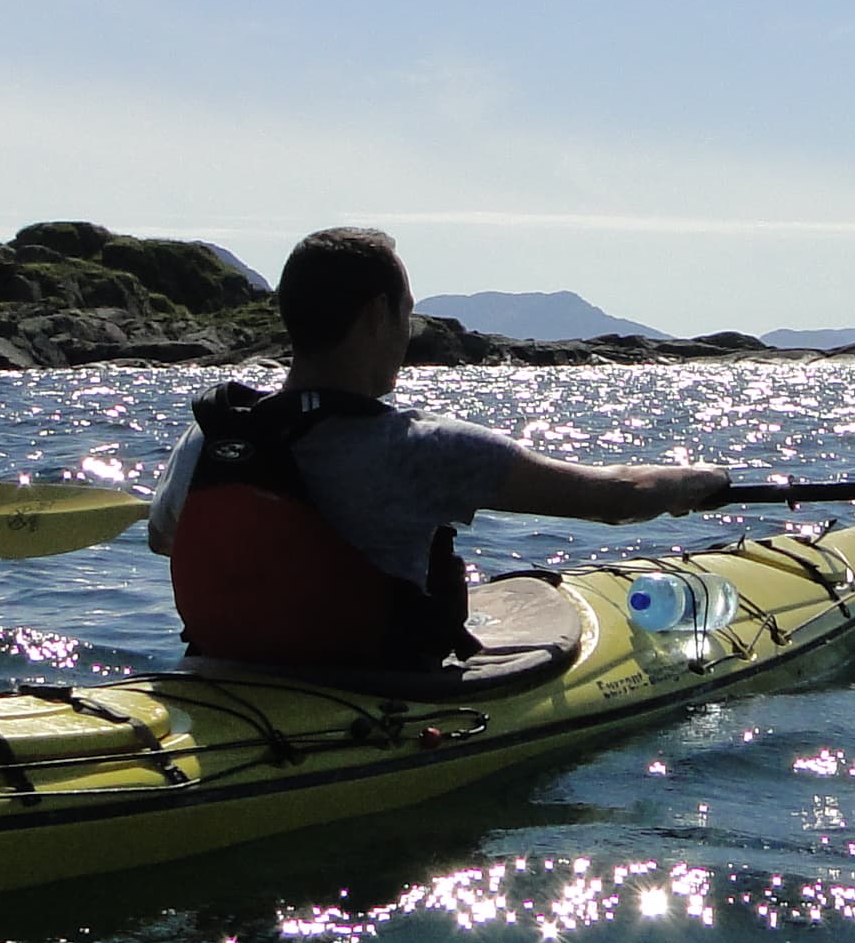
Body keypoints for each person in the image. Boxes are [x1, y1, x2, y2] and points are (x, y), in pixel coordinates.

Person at [148, 227, 729, 668]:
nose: (408, 329)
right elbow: (616, 498)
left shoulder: (215, 434)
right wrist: (698, 480)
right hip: (373, 688)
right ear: (379, 316)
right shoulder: (425, 449)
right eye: (407, 311)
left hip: (222, 673)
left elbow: (163, 537)